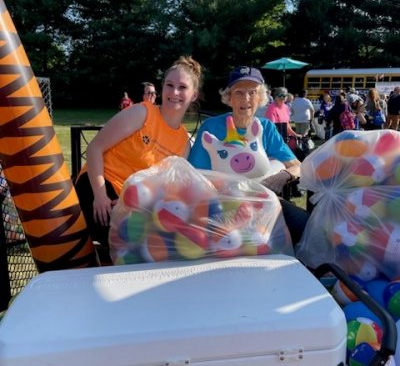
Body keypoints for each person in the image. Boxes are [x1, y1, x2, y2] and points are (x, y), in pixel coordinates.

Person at [75, 56, 203, 259]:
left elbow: (162, 189)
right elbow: (95, 148)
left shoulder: (184, 143)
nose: (174, 92)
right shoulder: (142, 113)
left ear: (194, 95)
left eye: (182, 87)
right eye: (169, 85)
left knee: (172, 243)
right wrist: (100, 196)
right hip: (100, 187)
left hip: (133, 205)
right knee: (136, 245)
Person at [188, 66, 310, 245]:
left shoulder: (266, 128)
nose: (246, 99)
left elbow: (297, 166)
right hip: (221, 204)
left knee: (305, 224)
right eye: (239, 92)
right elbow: (195, 174)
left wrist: (283, 175)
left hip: (260, 200)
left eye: (252, 92)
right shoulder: (211, 128)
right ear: (229, 98)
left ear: (260, 97)